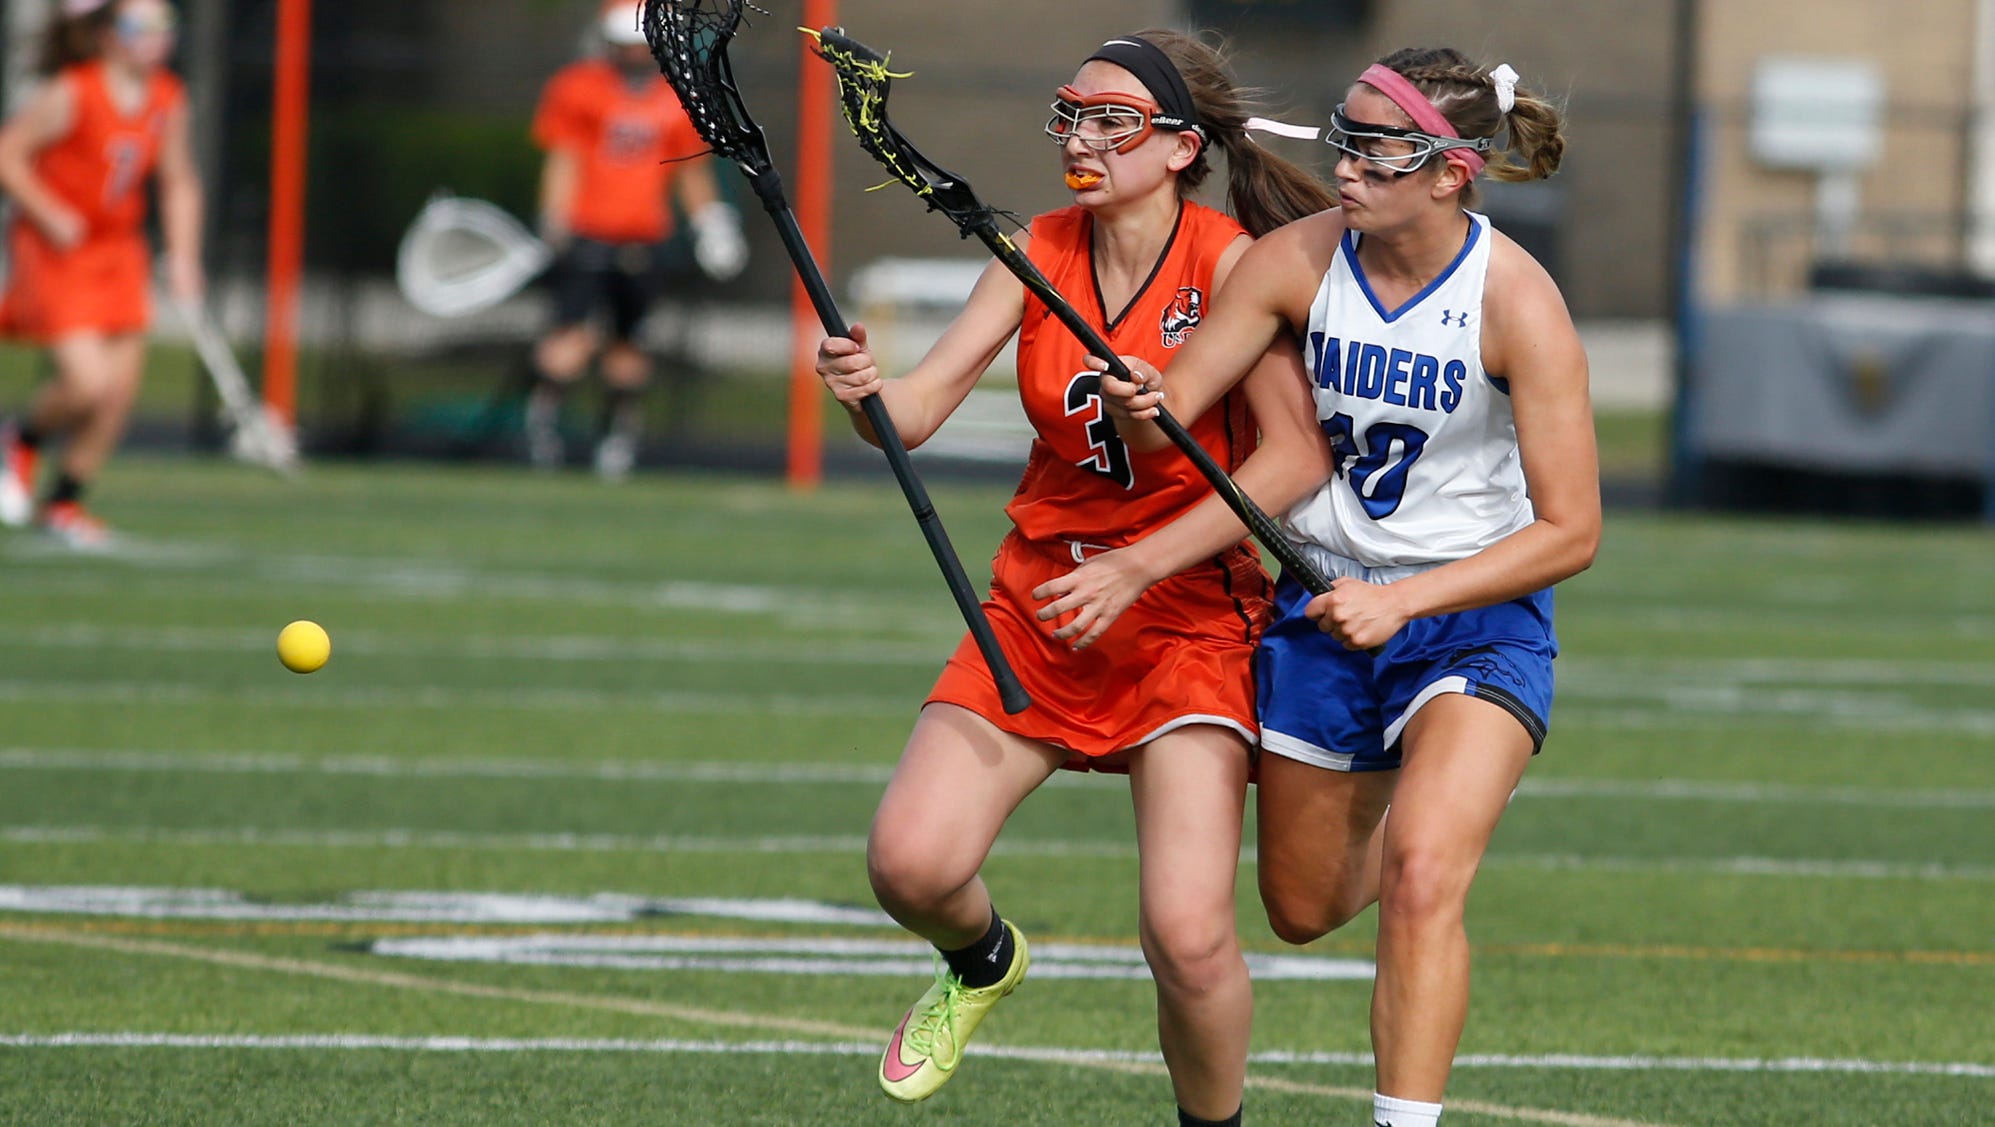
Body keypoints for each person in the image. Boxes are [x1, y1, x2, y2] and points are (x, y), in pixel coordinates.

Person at [1052, 48, 1600, 1127]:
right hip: (1319, 607)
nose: (1346, 167)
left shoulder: (1519, 302)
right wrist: (1135, 396)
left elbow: (1572, 529)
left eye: (1375, 150)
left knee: (1424, 873)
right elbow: (1171, 415)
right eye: (1342, 140)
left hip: (1471, 619)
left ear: (1450, 173)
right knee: (1300, 908)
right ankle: (1415, 798)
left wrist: (1409, 600)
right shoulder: (1293, 262)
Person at [814, 30, 1337, 1125]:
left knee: (1187, 935)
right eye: (1071, 115)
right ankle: (983, 957)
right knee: (909, 865)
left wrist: (1141, 562)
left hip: (1190, 616)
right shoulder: (1034, 250)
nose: (1083, 140)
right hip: (1043, 603)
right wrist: (864, 390)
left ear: (1182, 147)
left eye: (1114, 122)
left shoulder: (1233, 262)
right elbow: (913, 412)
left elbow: (1291, 459)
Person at [0, 0, 202, 550]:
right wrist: (47, 211)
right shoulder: (74, 91)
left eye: (165, 25)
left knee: (117, 393)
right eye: (141, 26)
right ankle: (20, 439)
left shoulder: (167, 97)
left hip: (119, 252)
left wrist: (184, 256)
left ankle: (63, 503)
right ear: (109, 35)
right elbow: (7, 156)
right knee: (86, 382)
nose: (156, 38)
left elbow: (178, 179)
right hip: (58, 250)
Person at [525, 0, 745, 480]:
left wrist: (711, 223)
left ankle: (617, 439)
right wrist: (555, 217)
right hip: (588, 232)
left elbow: (690, 171)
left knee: (628, 347)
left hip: (642, 236)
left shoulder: (674, 96)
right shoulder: (577, 87)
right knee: (570, 340)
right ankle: (544, 431)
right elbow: (565, 158)